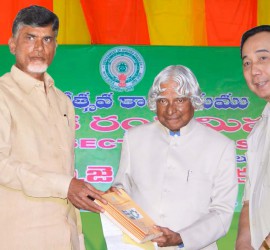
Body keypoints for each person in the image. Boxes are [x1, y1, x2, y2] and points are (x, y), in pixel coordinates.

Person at [0, 5, 106, 250]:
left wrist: (85, 193)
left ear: (56, 48)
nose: (39, 48)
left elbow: (62, 171)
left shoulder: (63, 101)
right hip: (19, 238)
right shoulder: (3, 95)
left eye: (47, 39)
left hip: (66, 236)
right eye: (30, 38)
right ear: (12, 44)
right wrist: (65, 185)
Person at [110, 65, 238, 250]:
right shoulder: (134, 138)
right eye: (163, 101)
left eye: (179, 100)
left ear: (193, 100)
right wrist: (114, 197)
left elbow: (222, 213)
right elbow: (122, 189)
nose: (171, 110)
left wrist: (181, 238)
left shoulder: (220, 146)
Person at [236, 25, 270, 250]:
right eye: (247, 62)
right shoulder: (259, 130)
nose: (254, 70)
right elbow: (249, 201)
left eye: (263, 58)